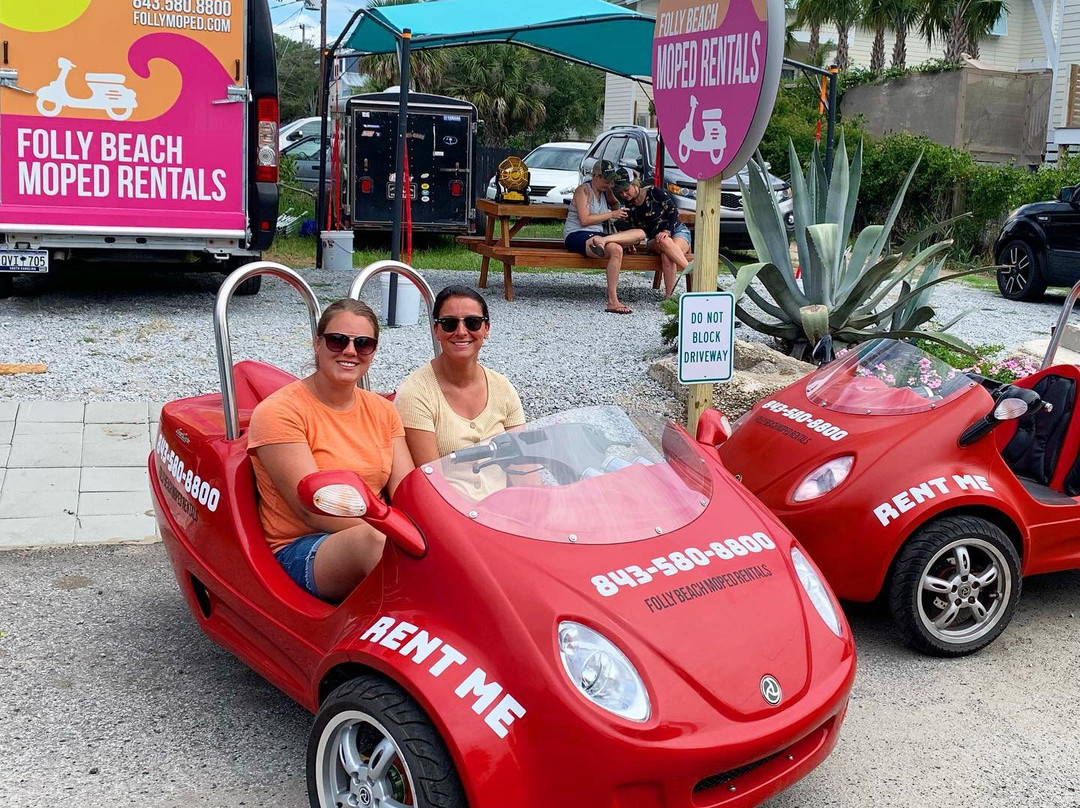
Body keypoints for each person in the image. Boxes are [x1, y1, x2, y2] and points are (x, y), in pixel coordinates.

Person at [247, 299, 414, 603]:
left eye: (363, 344)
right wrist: (401, 536)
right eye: (338, 341)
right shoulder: (279, 412)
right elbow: (312, 510)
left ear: (372, 352)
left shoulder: (382, 410)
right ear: (317, 343)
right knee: (375, 543)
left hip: (379, 532)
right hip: (301, 546)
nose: (350, 351)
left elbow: (408, 489)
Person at [395, 285, 525, 468]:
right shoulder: (415, 393)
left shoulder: (503, 388)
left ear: (486, 328)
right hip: (445, 497)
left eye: (473, 322)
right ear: (436, 330)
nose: (461, 331)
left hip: (503, 497)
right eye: (449, 323)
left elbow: (523, 466)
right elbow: (431, 481)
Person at [563, 159, 647, 314]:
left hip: (599, 235)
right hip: (577, 234)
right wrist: (612, 214)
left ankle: (606, 242)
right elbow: (585, 219)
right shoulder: (583, 190)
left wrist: (616, 209)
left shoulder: (605, 191)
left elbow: (616, 205)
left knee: (636, 236)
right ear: (596, 176)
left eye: (610, 179)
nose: (608, 183)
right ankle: (613, 301)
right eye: (605, 179)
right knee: (615, 248)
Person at [611, 168, 692, 298]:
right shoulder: (628, 205)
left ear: (635, 184)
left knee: (667, 255)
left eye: (626, 190)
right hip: (654, 239)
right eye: (620, 192)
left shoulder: (654, 192)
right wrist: (631, 244)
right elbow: (635, 230)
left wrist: (667, 230)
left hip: (676, 230)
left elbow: (673, 210)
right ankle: (691, 272)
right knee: (664, 241)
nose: (624, 195)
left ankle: (669, 297)